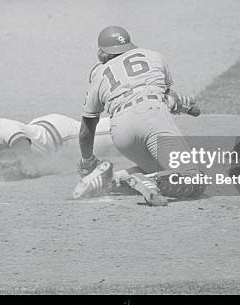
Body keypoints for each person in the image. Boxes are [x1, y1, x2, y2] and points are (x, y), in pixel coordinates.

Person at [76, 26, 205, 206]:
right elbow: (164, 96)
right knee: (193, 178)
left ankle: (111, 180)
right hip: (153, 117)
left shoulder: (98, 74)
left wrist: (87, 162)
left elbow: (86, 130)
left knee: (164, 170)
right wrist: (184, 104)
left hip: (122, 132)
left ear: (101, 52)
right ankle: (148, 180)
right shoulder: (154, 56)